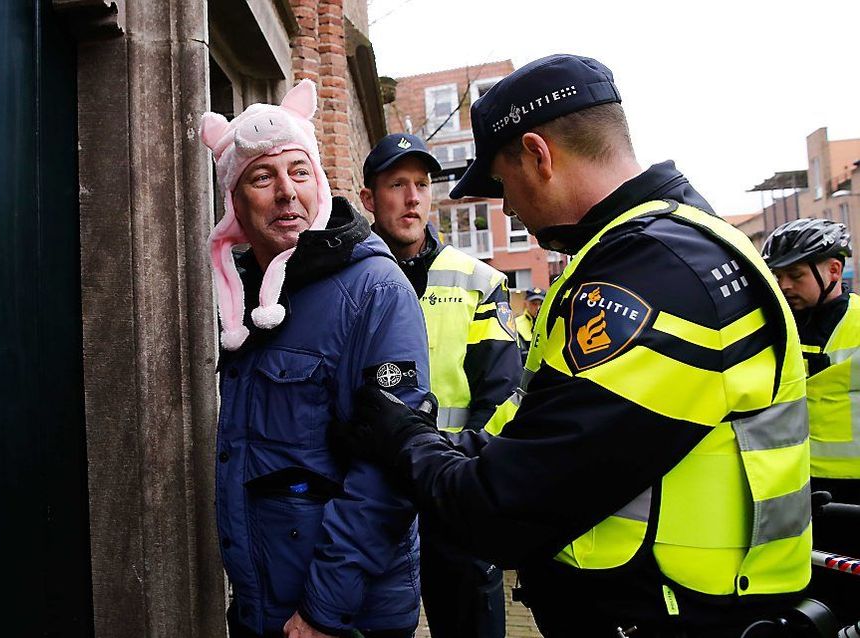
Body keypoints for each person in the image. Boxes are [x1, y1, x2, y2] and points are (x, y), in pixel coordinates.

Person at [332, 54, 812, 637]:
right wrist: (440, 441)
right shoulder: (644, 253)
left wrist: (400, 434)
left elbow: (502, 510)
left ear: (539, 155)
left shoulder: (656, 272)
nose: (508, 207)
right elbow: (525, 428)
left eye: (504, 184)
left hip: (671, 617)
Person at [200, 80, 427, 638]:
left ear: (321, 184)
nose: (286, 192)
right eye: (262, 176)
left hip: (343, 615)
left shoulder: (374, 289)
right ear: (234, 200)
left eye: (299, 172)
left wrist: (323, 612)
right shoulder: (238, 301)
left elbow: (388, 470)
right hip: (263, 599)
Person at [361, 133, 524, 638]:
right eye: (397, 184)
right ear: (368, 198)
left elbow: (503, 394)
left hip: (454, 494)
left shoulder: (477, 279)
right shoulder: (347, 277)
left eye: (422, 185)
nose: (413, 198)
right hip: (371, 497)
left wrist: (448, 465)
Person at [762, 218, 860, 625]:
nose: (784, 285)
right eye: (778, 276)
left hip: (854, 495)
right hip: (795, 489)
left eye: (796, 275)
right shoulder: (773, 328)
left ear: (833, 271)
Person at [516, 287, 545, 359]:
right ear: (526, 303)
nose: (538, 307)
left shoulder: (551, 323)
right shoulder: (515, 324)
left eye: (541, 304)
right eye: (534, 304)